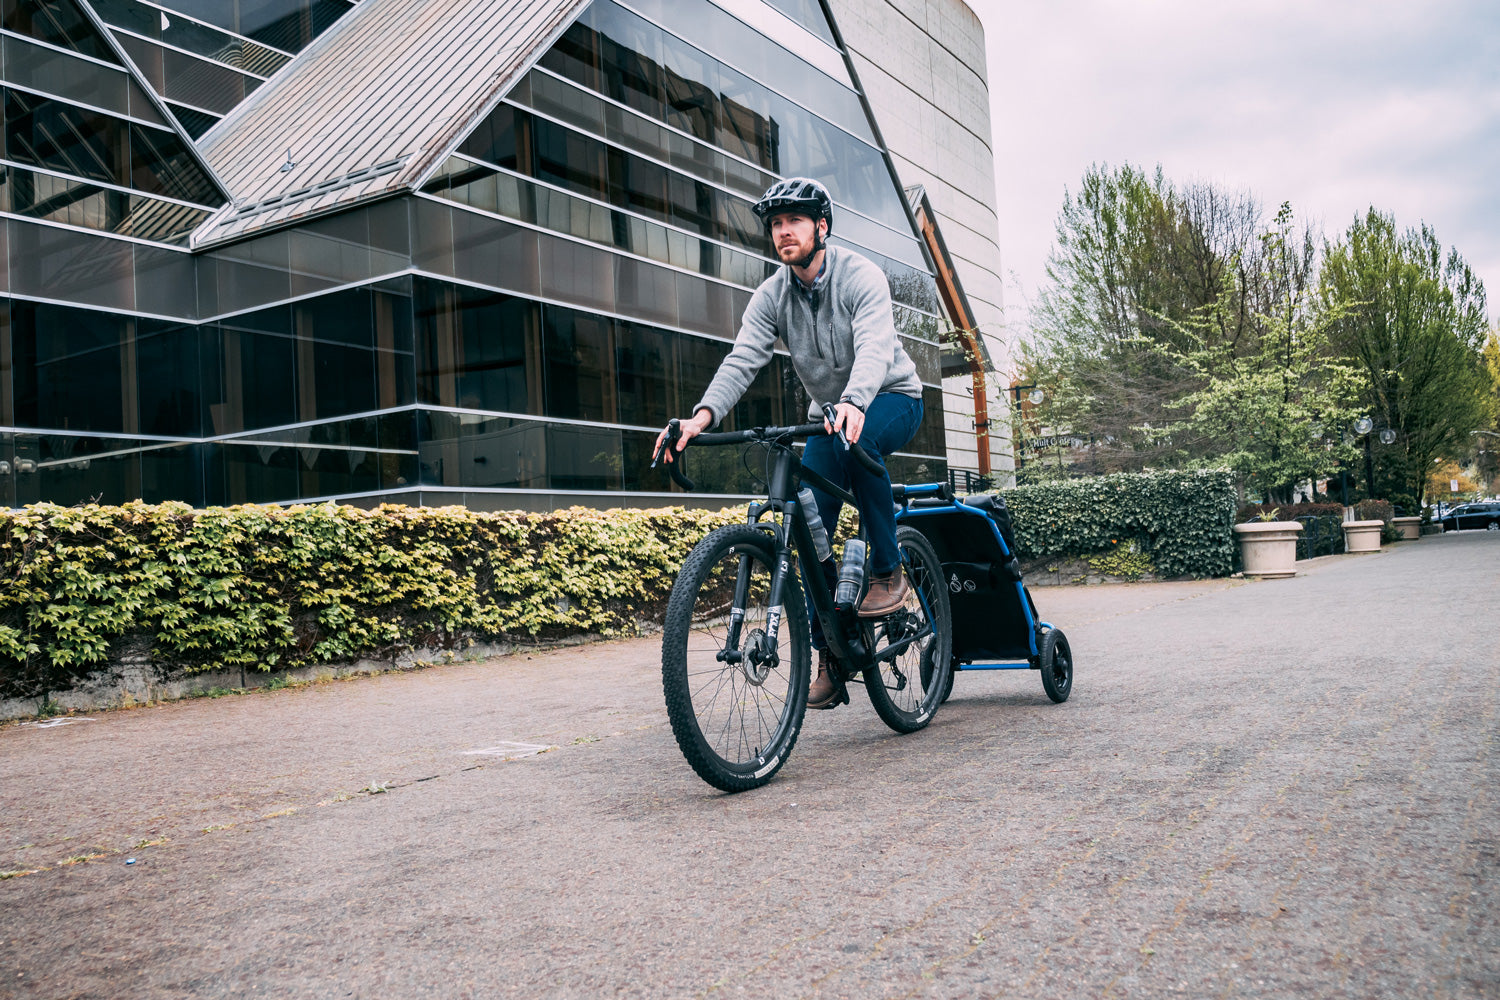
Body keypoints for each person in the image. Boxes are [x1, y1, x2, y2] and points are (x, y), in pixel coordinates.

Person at [655, 177, 924, 710]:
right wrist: (700, 417)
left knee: (860, 441)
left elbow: (873, 347)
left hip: (890, 396)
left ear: (821, 226)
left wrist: (854, 401)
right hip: (828, 417)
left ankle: (889, 572)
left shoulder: (860, 276)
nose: (783, 233)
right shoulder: (771, 294)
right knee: (808, 529)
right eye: (776, 224)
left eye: (794, 221)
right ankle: (831, 653)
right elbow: (743, 358)